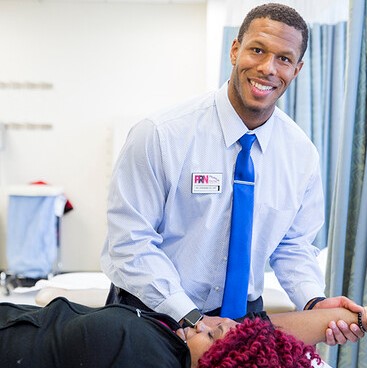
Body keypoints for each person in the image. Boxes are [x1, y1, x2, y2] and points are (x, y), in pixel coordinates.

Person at [100, 2, 364, 344]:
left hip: (244, 317)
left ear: (296, 70)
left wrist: (313, 300)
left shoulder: (301, 155)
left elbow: (293, 245)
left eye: (283, 58)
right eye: (257, 50)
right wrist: (192, 318)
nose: (268, 68)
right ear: (235, 50)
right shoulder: (161, 135)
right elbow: (130, 243)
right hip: (155, 313)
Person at [0, 297, 366, 368]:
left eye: (211, 334)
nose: (207, 323)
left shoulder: (144, 352)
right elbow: (257, 338)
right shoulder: (180, 343)